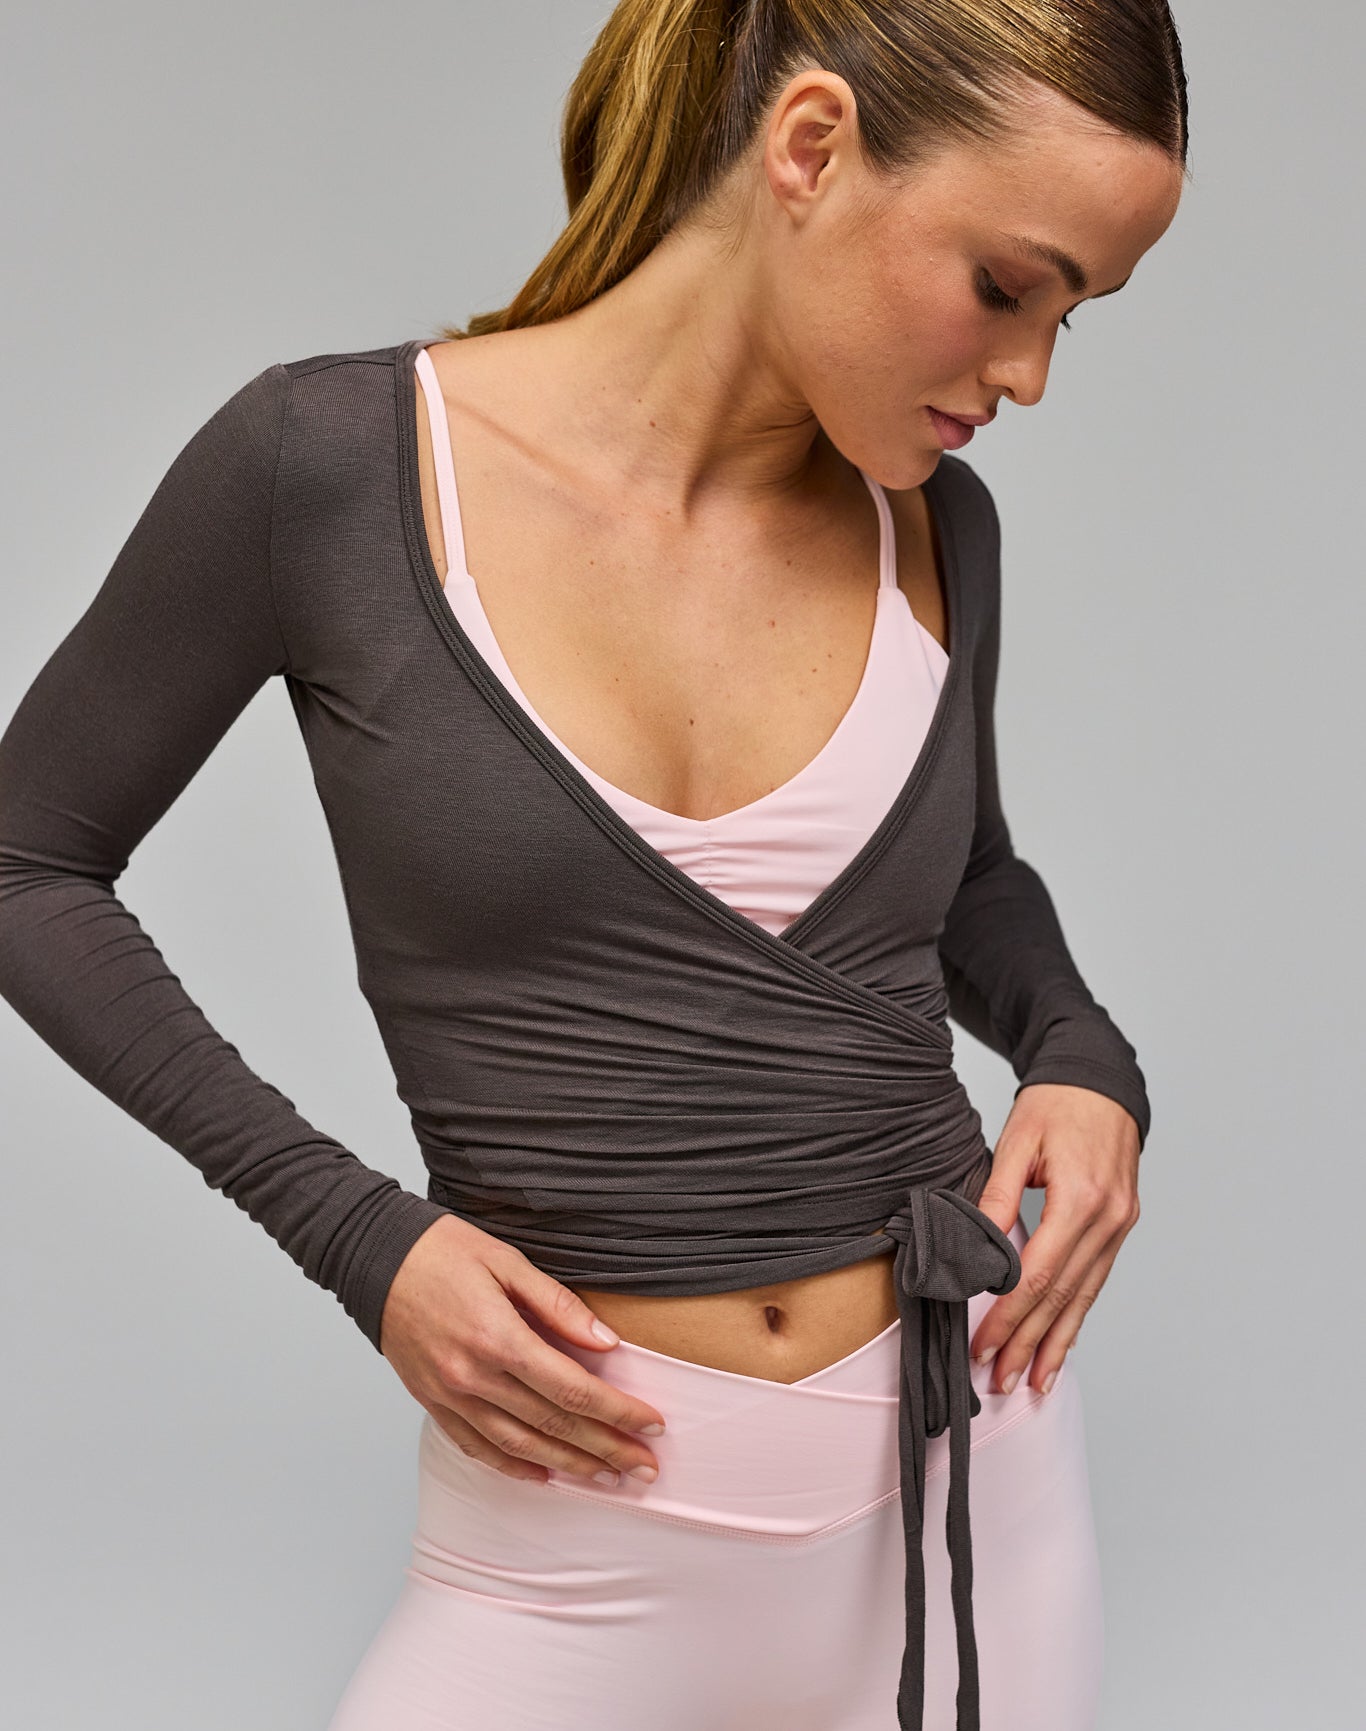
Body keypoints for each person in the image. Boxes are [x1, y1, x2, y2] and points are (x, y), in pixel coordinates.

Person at [0, 2, 1189, 1727]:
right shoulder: (327, 473)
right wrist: (355, 1236)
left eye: (1071, 316)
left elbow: (965, 879)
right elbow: (26, 863)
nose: (1028, 376)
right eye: (1008, 286)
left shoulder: (933, 528)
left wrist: (1081, 1056)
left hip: (970, 1499)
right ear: (808, 147)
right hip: (568, 1553)